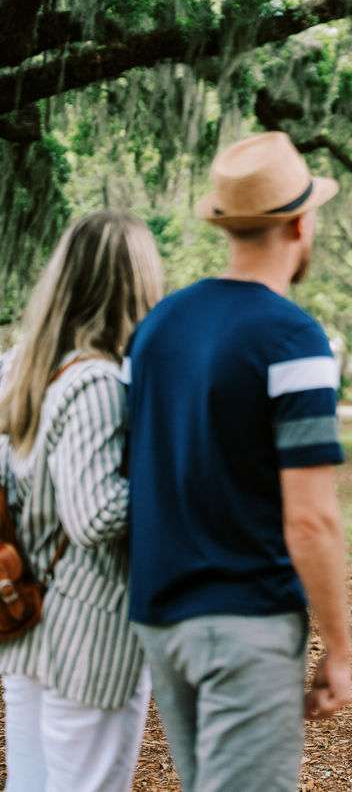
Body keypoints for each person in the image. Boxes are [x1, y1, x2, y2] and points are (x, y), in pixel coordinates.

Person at [124, 132, 352, 791]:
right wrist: (338, 647)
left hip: (161, 617)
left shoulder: (159, 324)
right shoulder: (292, 336)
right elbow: (311, 521)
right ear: (301, 222)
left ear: (226, 223)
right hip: (246, 620)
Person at [0, 211, 164, 791]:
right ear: (134, 282)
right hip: (90, 630)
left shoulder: (24, 369)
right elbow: (94, 515)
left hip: (28, 613)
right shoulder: (95, 382)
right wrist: (180, 477)